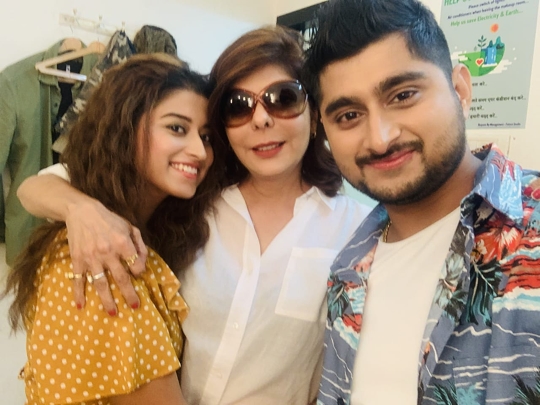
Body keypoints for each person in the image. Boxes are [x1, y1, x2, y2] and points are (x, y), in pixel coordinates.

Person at [17, 26, 372, 404]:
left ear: (315, 116)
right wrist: (81, 209)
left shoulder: (358, 231)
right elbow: (46, 183)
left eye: (283, 98)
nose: (261, 119)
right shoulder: (191, 205)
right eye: (238, 106)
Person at [302, 0, 540, 404]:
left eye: (403, 95)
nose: (380, 138)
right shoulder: (348, 268)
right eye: (348, 116)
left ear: (460, 89)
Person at [3, 53, 224, 405]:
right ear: (124, 128)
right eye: (176, 128)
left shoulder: (138, 226)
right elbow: (30, 188)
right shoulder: (102, 255)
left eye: (207, 136)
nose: (199, 151)